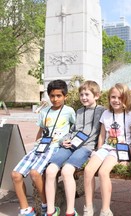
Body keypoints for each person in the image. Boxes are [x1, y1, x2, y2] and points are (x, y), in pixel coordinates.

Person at [11, 79, 76, 216]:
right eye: (52, 96)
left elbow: (75, 129)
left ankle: (46, 206)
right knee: (15, 175)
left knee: (35, 173)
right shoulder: (44, 112)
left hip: (55, 147)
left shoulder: (69, 111)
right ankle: (26, 210)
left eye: (59, 96)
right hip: (40, 147)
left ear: (65, 96)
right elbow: (41, 130)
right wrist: (35, 146)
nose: (55, 99)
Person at [45, 81, 105, 216]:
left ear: (96, 96)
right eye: (81, 94)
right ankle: (50, 211)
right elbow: (73, 130)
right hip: (71, 144)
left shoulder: (102, 111)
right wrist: (63, 140)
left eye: (87, 94)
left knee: (66, 171)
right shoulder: (78, 111)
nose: (83, 97)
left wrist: (98, 149)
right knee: (50, 170)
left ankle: (70, 211)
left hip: (86, 148)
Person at [84, 83, 131, 216]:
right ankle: (88, 207)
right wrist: (98, 151)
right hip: (106, 147)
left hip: (120, 150)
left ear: (126, 98)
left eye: (120, 97)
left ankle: (105, 209)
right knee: (88, 170)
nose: (116, 100)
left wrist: (129, 157)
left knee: (103, 172)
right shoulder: (106, 114)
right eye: (113, 97)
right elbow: (102, 135)